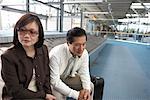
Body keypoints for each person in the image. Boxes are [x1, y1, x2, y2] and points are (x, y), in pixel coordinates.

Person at [1, 13, 56, 100]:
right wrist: (43, 95)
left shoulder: (43, 49)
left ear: (39, 35)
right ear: (17, 31)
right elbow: (15, 91)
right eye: (22, 30)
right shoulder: (8, 57)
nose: (26, 36)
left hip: (40, 94)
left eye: (32, 32)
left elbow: (46, 76)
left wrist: (49, 94)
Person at [49, 27, 94, 100]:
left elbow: (84, 73)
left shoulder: (84, 53)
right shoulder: (55, 54)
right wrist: (77, 95)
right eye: (77, 45)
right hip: (53, 80)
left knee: (90, 86)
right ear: (68, 43)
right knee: (59, 96)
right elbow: (55, 82)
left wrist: (86, 90)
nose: (81, 49)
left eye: (83, 44)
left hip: (68, 77)